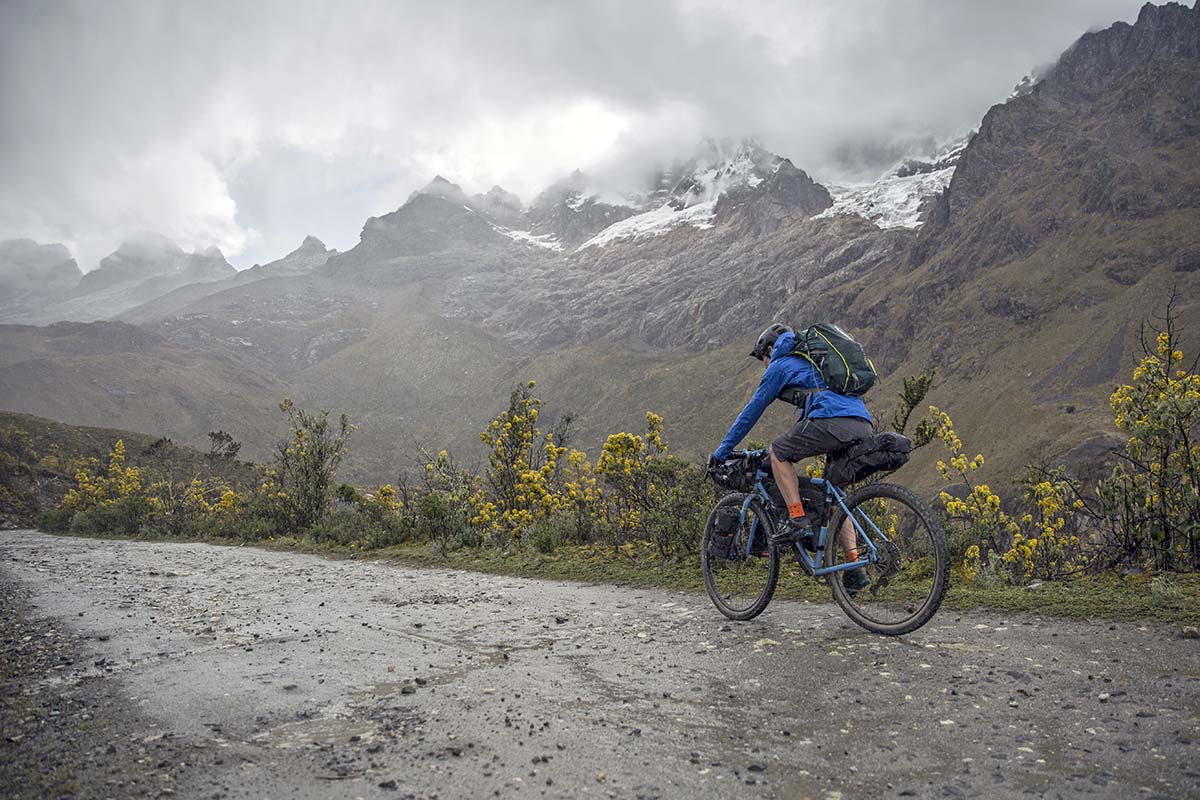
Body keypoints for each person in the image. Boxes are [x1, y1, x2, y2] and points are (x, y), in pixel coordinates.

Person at [710, 323, 872, 593]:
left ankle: (796, 518)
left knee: (780, 452)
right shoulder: (813, 363)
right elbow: (813, 405)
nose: (764, 364)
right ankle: (854, 566)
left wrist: (722, 452)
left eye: (763, 357)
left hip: (832, 419)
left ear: (770, 350)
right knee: (834, 499)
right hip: (861, 422)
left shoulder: (780, 364)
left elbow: (751, 412)